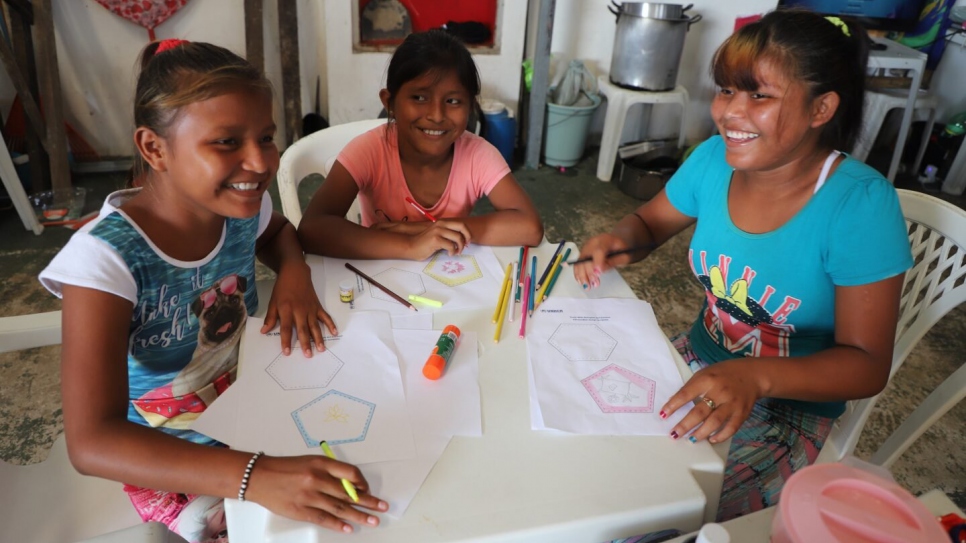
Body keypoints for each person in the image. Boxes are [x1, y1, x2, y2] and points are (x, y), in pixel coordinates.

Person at [39, 40, 387, 541]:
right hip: (167, 460)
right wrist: (254, 476)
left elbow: (279, 233)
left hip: (246, 408)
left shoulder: (237, 206)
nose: (260, 162)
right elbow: (92, 442)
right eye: (227, 142)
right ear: (154, 148)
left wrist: (294, 272)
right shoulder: (105, 259)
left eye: (265, 137)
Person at [576, 10, 913, 521]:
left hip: (787, 411)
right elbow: (648, 225)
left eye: (759, 96)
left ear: (821, 108)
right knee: (585, 467)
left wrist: (756, 378)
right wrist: (615, 241)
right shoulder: (712, 160)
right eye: (727, 90)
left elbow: (867, 364)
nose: (730, 112)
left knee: (651, 512)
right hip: (693, 363)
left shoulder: (859, 206)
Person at [297, 29, 543, 261]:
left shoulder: (478, 155)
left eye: (453, 101)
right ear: (390, 102)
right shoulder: (370, 150)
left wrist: (425, 230)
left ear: (470, 106)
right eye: (419, 98)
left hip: (451, 279)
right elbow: (312, 229)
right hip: (380, 276)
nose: (436, 115)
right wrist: (412, 245)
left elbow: (529, 227)